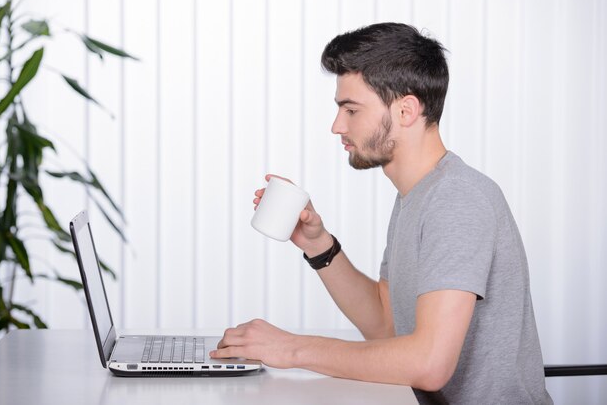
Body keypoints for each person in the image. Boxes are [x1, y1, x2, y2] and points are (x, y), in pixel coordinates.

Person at [209, 22, 552, 404]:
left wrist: (291, 350)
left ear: (406, 110)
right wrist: (319, 245)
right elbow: (386, 327)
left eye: (351, 110)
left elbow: (429, 364)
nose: (337, 126)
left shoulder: (458, 199)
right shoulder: (416, 197)